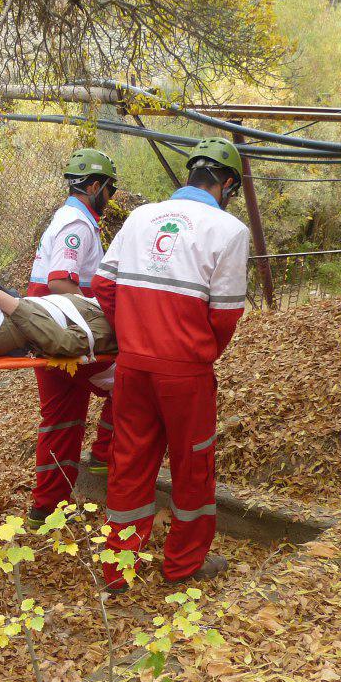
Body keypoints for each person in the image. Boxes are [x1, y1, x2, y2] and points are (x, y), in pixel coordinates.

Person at [90, 137, 250, 590]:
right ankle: (183, 564)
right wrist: (198, 351)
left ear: (191, 175)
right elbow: (224, 315)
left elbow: (104, 286)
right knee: (192, 466)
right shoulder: (229, 231)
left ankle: (117, 569)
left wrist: (134, 335)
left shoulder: (141, 217)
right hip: (185, 372)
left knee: (129, 462)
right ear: (228, 185)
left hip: (134, 367)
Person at [25, 148, 120, 525]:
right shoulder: (76, 225)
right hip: (65, 334)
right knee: (128, 381)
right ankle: (104, 455)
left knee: (62, 421)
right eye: (109, 190)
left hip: (45, 329)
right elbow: (61, 280)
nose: (110, 199)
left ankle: (45, 509)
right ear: (95, 186)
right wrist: (95, 318)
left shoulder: (67, 220)